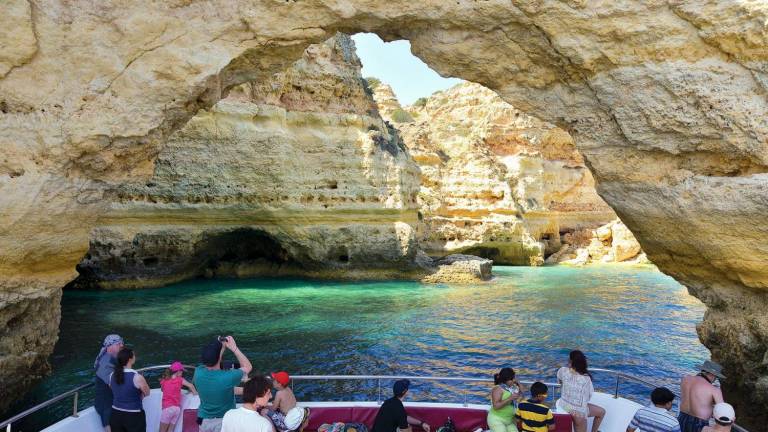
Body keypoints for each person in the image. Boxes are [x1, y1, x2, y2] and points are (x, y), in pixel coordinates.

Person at [195, 336, 254, 432]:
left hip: (203, 421)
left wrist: (220, 346)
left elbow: (222, 388)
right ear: (219, 357)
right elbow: (248, 367)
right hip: (223, 422)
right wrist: (234, 348)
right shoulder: (227, 377)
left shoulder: (198, 372)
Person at [556, 350, 605, 432]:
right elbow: (588, 396)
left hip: (564, 405)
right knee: (602, 412)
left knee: (600, 412)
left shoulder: (563, 370)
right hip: (578, 413)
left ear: (571, 362)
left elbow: (560, 382)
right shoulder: (586, 378)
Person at [109, 347, 150, 432]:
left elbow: (112, 388)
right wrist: (140, 395)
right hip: (133, 416)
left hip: (115, 414)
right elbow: (147, 392)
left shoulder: (112, 374)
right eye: (134, 355)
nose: (135, 357)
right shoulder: (137, 377)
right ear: (130, 359)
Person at [679, 360, 725, 432]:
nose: (715, 379)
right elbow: (722, 412)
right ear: (712, 374)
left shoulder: (685, 379)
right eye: (716, 377)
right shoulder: (714, 390)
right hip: (699, 424)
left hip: (681, 418)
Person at [94, 334, 125, 432]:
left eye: (121, 343)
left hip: (111, 400)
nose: (121, 345)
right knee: (108, 420)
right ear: (110, 346)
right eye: (118, 344)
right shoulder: (105, 364)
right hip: (105, 403)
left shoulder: (109, 355)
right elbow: (113, 386)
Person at [159, 361, 198, 432]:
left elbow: (162, 390)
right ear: (178, 372)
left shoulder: (164, 381)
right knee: (170, 430)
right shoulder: (180, 380)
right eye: (182, 371)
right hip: (177, 409)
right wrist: (196, 395)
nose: (182, 373)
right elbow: (191, 386)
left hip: (167, 409)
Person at [488, 367, 523, 432]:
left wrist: (518, 383)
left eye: (514, 378)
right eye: (512, 379)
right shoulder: (498, 389)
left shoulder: (512, 388)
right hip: (497, 420)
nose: (513, 380)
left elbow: (520, 394)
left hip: (509, 421)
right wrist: (510, 398)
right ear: (506, 379)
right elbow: (496, 406)